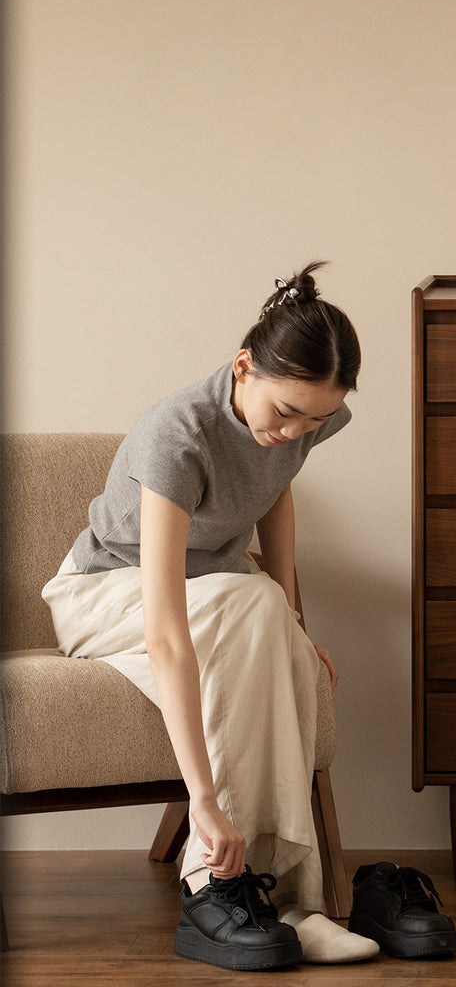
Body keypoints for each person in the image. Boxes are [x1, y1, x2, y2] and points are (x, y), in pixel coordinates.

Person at [42, 263, 381, 970]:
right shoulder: (177, 434)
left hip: (223, 595)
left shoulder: (311, 416)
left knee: (268, 623)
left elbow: (277, 490)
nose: (296, 431)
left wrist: (295, 626)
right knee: (256, 606)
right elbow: (167, 632)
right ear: (241, 367)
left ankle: (295, 903)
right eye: (284, 411)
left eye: (315, 419)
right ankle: (220, 878)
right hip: (107, 594)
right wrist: (202, 797)